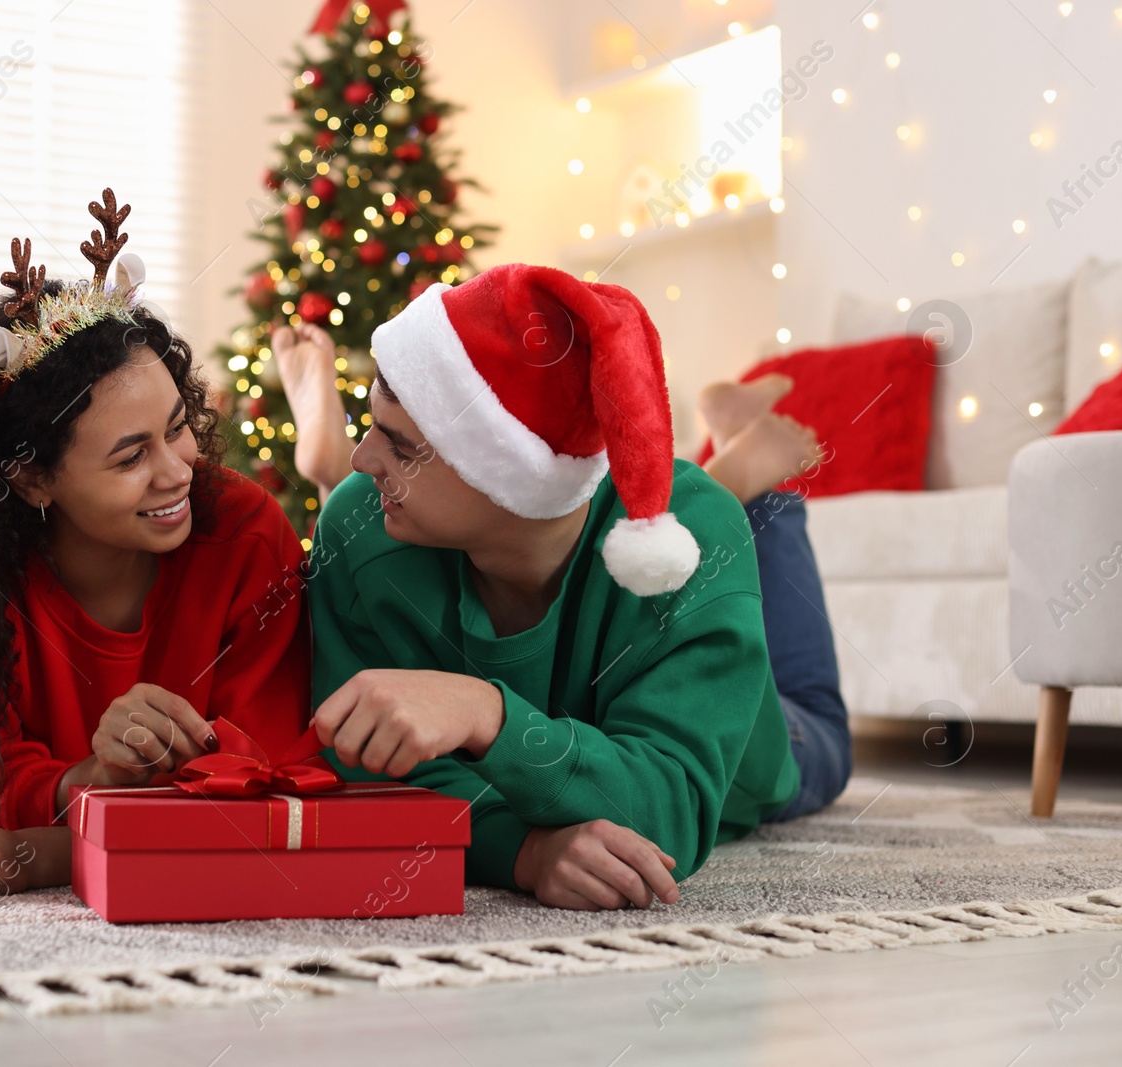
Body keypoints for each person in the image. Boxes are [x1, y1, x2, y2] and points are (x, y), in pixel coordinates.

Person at [278, 264, 851, 911]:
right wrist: (523, 850)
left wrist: (484, 713)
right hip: (595, 701)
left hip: (761, 754)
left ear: (505, 477)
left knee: (823, 728)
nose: (360, 460)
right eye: (371, 423)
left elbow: (670, 808)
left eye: (402, 448)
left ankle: (760, 488)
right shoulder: (360, 525)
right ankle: (733, 453)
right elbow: (363, 770)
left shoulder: (685, 539)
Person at [0, 191, 311, 897]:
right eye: (130, 456)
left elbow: (272, 788)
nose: (179, 471)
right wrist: (96, 775)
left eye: (176, 427)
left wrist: (43, 852)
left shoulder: (247, 533)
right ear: (31, 480)